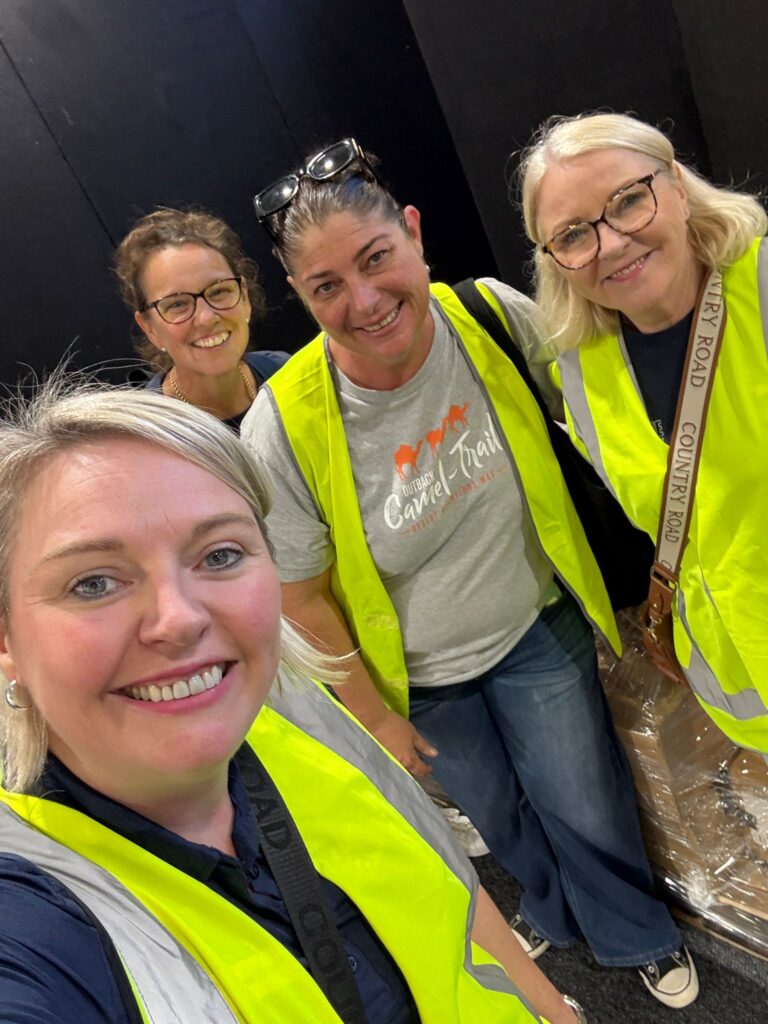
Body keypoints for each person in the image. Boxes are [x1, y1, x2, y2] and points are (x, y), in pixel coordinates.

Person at [243, 138, 697, 1008]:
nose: (364, 301)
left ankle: (634, 933)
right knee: (499, 817)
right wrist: (373, 714)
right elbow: (299, 595)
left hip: (532, 623)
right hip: (418, 680)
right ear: (299, 294)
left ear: (414, 235)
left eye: (376, 259)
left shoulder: (488, 315)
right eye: (326, 286)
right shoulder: (286, 425)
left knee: (584, 798)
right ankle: (555, 915)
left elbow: (600, 413)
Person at [0, 380, 588, 1024]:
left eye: (220, 554)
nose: (180, 618)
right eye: (93, 583)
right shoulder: (30, 916)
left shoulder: (300, 711)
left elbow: (456, 893)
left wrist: (554, 1011)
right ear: (6, 639)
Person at [518, 111, 768, 754]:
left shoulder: (762, 288)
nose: (610, 244)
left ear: (677, 186)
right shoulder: (582, 372)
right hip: (746, 692)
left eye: (628, 200)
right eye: (573, 235)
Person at [114, 207, 288, 430]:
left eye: (219, 291)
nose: (206, 318)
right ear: (150, 329)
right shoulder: (147, 438)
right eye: (177, 304)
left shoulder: (286, 373)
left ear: (244, 298)